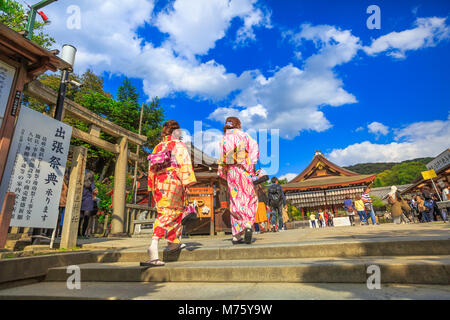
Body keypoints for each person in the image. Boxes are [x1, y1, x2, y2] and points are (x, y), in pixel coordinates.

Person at [143, 120, 197, 267]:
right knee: (170, 214)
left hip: (159, 183)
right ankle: (153, 246)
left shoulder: (158, 147)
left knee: (173, 212)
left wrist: (151, 186)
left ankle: (174, 243)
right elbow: (185, 164)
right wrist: (187, 183)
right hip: (174, 182)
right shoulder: (179, 145)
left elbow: (151, 169)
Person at [218, 117, 259, 244]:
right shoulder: (245, 136)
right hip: (244, 171)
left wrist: (223, 173)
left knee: (235, 201)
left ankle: (236, 235)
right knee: (250, 198)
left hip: (231, 172)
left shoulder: (224, 140)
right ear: (238, 124)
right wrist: (250, 165)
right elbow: (254, 149)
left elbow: (222, 159)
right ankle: (247, 223)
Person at [79, 169, 97, 238]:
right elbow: (95, 191)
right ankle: (83, 234)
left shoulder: (81, 181)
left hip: (81, 200)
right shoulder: (91, 182)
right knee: (86, 218)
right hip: (88, 201)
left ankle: (78, 234)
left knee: (80, 218)